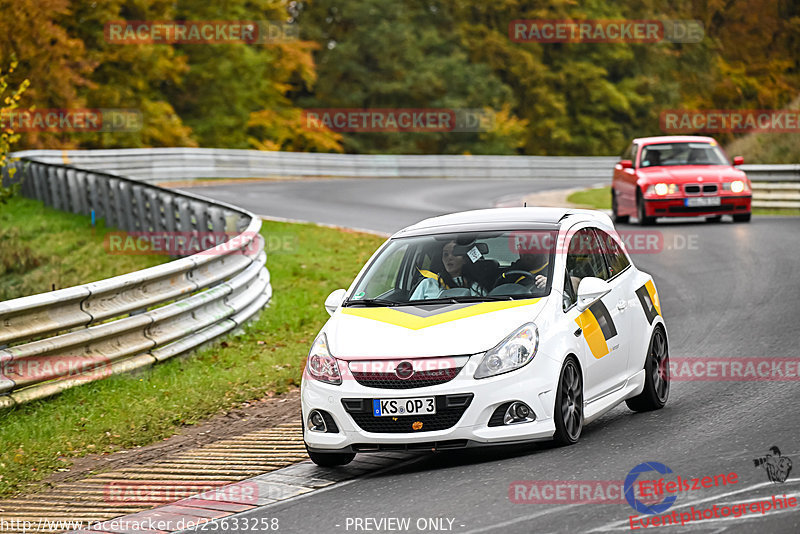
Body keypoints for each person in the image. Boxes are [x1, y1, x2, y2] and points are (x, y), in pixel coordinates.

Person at [410, 240, 484, 300]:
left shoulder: (475, 287)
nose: (449, 258)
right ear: (441, 259)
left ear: (465, 260)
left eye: (455, 254)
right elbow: (411, 310)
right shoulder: (428, 284)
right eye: (445, 254)